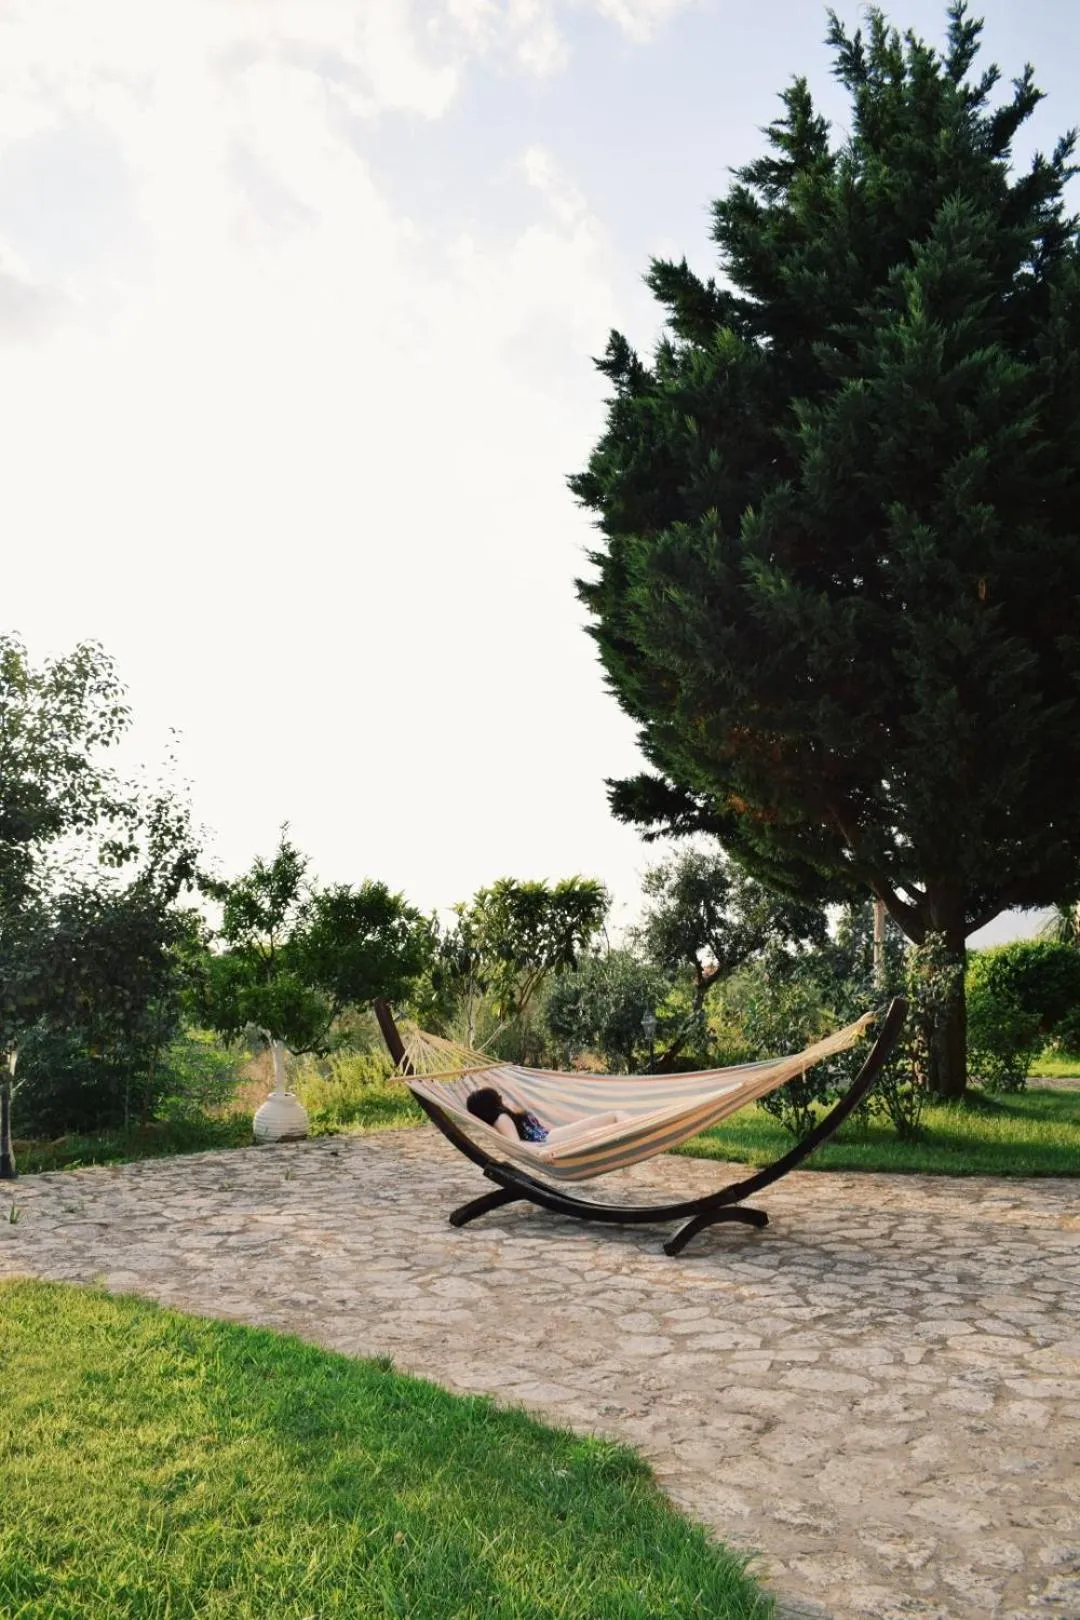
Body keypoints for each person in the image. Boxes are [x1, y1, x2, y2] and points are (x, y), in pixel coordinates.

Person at [465, 1085, 631, 1147]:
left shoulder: (507, 1115)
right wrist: (543, 1153)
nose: (502, 1097)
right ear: (491, 1103)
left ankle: (642, 1129)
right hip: (549, 1142)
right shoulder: (502, 1118)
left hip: (553, 1137)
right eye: (498, 1097)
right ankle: (641, 1129)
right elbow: (517, 1145)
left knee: (612, 1120)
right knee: (614, 1116)